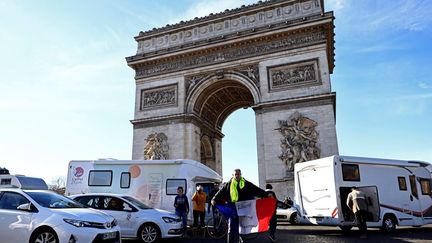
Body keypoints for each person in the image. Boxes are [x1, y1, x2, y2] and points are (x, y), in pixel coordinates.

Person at [211, 168, 271, 243]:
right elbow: (221, 192)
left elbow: (256, 189)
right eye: (235, 174)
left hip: (244, 208)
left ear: (241, 175)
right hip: (233, 208)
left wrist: (266, 194)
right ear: (232, 175)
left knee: (243, 226)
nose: (237, 176)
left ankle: (242, 240)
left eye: (238, 174)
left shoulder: (246, 183)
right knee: (232, 227)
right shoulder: (228, 184)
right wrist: (214, 199)